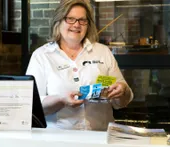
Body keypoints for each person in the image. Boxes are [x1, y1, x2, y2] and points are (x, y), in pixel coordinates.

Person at [26, 0, 133, 131]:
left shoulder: (102, 52)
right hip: (58, 141)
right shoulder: (42, 56)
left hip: (100, 138)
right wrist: (61, 100)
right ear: (58, 22)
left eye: (82, 20)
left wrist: (122, 90)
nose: (77, 25)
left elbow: (121, 102)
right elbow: (31, 104)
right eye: (70, 19)